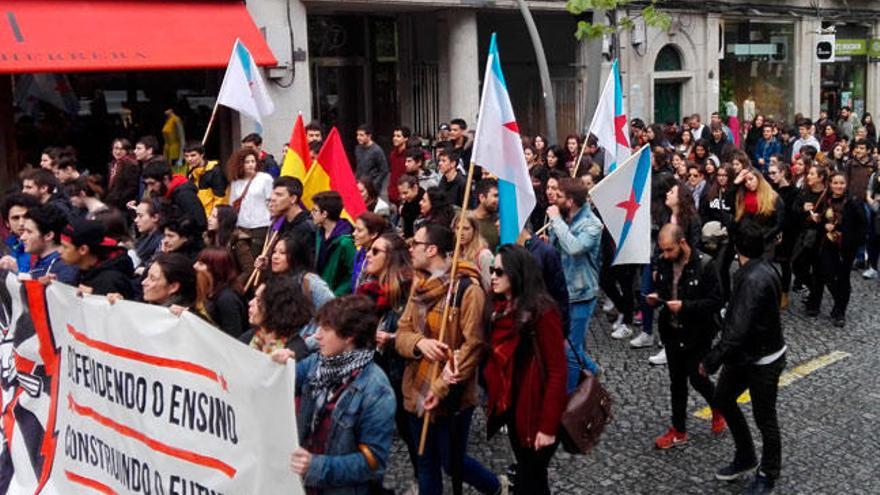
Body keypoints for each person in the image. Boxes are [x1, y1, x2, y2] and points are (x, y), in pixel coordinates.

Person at [394, 224, 502, 495]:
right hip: (416, 387)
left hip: (451, 396)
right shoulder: (420, 284)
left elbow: (474, 345)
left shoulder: (468, 289)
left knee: (452, 462)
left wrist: (440, 386)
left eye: (414, 244)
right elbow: (402, 332)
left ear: (431, 250)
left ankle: (495, 487)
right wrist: (420, 343)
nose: (410, 248)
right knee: (426, 462)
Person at [702, 220, 786, 495]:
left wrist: (711, 360)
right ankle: (746, 456)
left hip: (762, 360)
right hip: (747, 356)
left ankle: (768, 473)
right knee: (723, 398)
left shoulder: (752, 278)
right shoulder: (758, 269)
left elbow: (738, 329)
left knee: (765, 418)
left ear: (737, 247)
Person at [286, 295, 396, 495]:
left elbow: (373, 462)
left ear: (349, 337)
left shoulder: (377, 390)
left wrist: (316, 466)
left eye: (325, 329)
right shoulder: (316, 363)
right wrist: (278, 364)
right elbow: (282, 384)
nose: (317, 336)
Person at [481, 245, 567, 495]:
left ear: (517, 273)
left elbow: (557, 371)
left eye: (499, 271)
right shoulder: (498, 310)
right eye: (492, 270)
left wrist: (548, 426)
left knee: (529, 481)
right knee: (535, 480)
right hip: (513, 411)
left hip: (537, 412)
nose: (493, 276)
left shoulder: (542, 311)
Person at [647, 224, 725, 450]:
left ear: (682, 243)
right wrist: (657, 297)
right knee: (677, 382)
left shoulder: (705, 265)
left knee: (697, 378)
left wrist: (685, 307)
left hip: (698, 333)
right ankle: (678, 429)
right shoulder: (664, 262)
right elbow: (664, 289)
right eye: (663, 250)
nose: (666, 255)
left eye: (670, 250)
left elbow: (716, 301)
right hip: (672, 332)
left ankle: (718, 406)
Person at [356, 233, 417, 484]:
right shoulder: (368, 289)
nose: (368, 254)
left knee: (411, 433)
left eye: (376, 251)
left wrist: (392, 338)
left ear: (391, 257)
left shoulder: (407, 292)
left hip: (400, 373)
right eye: (370, 250)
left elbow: (415, 333)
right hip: (372, 372)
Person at [547, 178, 603, 386]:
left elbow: (575, 247)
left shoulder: (592, 224)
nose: (554, 198)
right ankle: (594, 371)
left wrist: (556, 221)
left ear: (570, 201)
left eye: (559, 196)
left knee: (569, 351)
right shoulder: (564, 218)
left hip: (581, 294)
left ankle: (568, 395)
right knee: (569, 344)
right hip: (561, 291)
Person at [805, 172, 866, 326]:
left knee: (843, 278)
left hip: (846, 247)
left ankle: (839, 311)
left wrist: (842, 231)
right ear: (830, 184)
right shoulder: (826, 200)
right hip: (826, 244)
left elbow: (862, 225)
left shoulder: (853, 202)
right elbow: (819, 220)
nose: (838, 186)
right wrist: (822, 224)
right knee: (826, 274)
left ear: (846, 185)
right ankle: (821, 303)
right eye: (835, 183)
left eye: (842, 183)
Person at [242, 270, 315, 357]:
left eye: (258, 300)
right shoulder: (251, 336)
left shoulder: (295, 350)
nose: (250, 303)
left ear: (274, 307)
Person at [60, 218, 135, 297]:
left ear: (83, 250)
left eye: (65, 247)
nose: (60, 251)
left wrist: (95, 294)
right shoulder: (84, 271)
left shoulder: (110, 281)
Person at [227, 147, 273, 254]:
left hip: (261, 226)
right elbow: (232, 205)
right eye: (247, 162)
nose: (251, 164)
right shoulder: (236, 182)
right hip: (242, 226)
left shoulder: (265, 179)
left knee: (257, 257)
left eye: (253, 161)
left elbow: (271, 202)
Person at [194, 247, 247, 337]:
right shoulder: (208, 290)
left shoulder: (227, 299)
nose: (195, 266)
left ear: (215, 269)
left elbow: (232, 336)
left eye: (201, 264)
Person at [141, 161, 207, 232]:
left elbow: (199, 222)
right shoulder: (164, 194)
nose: (149, 189)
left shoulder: (184, 194)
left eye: (152, 183)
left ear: (165, 179)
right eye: (147, 184)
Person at [312, 191, 356, 296]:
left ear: (324, 214)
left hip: (335, 297)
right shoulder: (319, 233)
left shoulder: (346, 242)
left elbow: (352, 274)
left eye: (315, 210)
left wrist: (336, 295)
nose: (311, 213)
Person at [19, 205, 78, 284]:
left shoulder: (65, 268)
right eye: (23, 231)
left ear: (48, 236)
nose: (22, 237)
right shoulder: (41, 261)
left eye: (29, 232)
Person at [138, 252, 207, 320]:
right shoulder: (150, 306)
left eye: (152, 279)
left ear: (173, 287)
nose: (143, 282)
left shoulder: (184, 318)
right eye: (147, 276)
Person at [204, 205, 255, 288]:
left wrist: (233, 287)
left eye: (214, 217)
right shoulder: (210, 238)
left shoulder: (238, 242)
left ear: (223, 220)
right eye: (210, 215)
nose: (209, 219)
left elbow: (249, 270)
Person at [183, 141, 228, 218]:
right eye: (186, 156)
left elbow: (220, 199)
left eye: (193, 155)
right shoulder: (190, 170)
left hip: (209, 217)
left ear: (202, 154)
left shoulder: (215, 171)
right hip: (195, 215)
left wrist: (213, 218)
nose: (189, 159)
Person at [269, 176, 315, 249]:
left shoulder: (307, 227)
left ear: (293, 199)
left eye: (279, 195)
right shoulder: (281, 225)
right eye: (273, 195)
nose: (273, 199)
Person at [0, 192, 41, 274]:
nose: (21, 223)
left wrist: (17, 270)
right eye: (16, 218)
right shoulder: (7, 246)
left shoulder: (42, 246)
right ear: (7, 223)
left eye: (26, 217)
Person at [453, 213, 495, 288]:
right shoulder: (455, 254)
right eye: (458, 228)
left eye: (466, 229)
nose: (461, 233)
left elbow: (489, 287)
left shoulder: (484, 255)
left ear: (475, 230)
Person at [351, 212, 387, 292]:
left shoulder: (378, 260)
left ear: (373, 234)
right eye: (355, 229)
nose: (354, 234)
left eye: (359, 230)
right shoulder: (360, 253)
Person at [355, 124, 390, 200]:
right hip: (359, 185)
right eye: (357, 135)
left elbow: (384, 169)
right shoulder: (357, 149)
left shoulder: (377, 150)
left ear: (369, 136)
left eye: (361, 135)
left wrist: (375, 183)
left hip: (372, 187)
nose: (358, 138)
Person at [105, 138, 141, 212]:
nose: (118, 152)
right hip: (111, 204)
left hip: (122, 206)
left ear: (127, 151)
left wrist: (117, 202)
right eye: (116, 148)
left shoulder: (130, 164)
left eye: (122, 149)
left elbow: (132, 188)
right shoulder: (113, 163)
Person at [132, 199, 163, 274]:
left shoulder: (161, 242)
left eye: (140, 216)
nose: (136, 220)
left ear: (155, 218)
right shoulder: (144, 238)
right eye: (136, 216)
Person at [472, 179, 500, 252]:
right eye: (495, 196)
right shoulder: (466, 219)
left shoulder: (499, 223)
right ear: (482, 197)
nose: (498, 200)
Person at [397, 174, 425, 239]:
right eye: (400, 193)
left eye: (405, 193)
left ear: (415, 188)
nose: (402, 197)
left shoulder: (424, 203)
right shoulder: (406, 202)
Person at [388, 126, 411, 204]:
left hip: (405, 193)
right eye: (394, 136)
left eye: (398, 136)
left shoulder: (409, 155)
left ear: (406, 138)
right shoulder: (392, 154)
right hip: (393, 193)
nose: (395, 138)